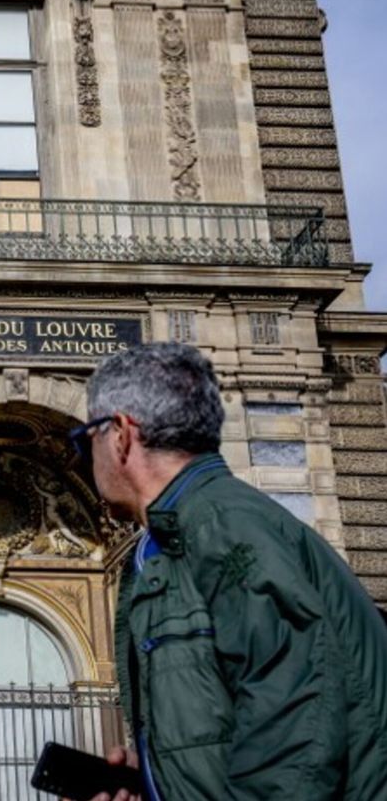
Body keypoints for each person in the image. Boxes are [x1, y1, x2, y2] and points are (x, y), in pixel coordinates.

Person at [70, 342, 387, 801]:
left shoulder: (224, 527)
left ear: (120, 434)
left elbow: (299, 724)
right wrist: (161, 775)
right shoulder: (192, 530)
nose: (86, 458)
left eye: (86, 440)